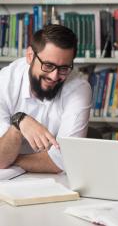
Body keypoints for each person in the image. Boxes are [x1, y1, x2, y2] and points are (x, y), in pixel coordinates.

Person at [0, 24, 92, 173]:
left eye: (64, 68)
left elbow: (65, 160)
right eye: (48, 65)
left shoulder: (79, 88)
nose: (54, 76)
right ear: (30, 56)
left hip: (55, 182)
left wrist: (11, 158)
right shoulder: (4, 82)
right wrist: (18, 124)